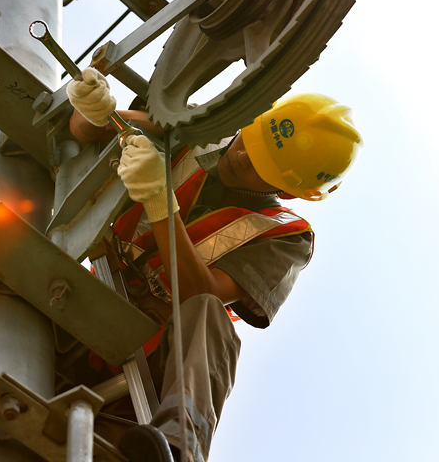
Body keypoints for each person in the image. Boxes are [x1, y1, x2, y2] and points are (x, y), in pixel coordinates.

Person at [67, 68, 362, 462]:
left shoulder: (286, 236)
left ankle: (178, 448)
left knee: (210, 312)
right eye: (250, 140)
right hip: (78, 307)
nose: (241, 156)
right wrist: (92, 110)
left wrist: (159, 201)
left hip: (145, 359)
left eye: (260, 164)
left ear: (292, 190)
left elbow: (200, 292)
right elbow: (90, 132)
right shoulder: (197, 129)